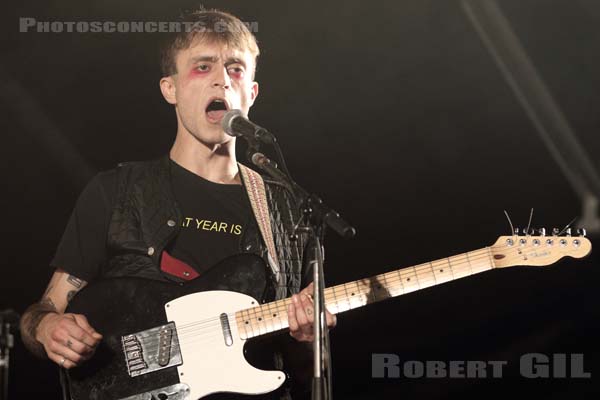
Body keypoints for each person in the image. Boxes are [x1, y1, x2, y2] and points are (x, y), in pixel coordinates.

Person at [19, 7, 335, 400]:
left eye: (236, 69)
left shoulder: (286, 210)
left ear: (251, 92)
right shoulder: (117, 191)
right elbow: (42, 311)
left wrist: (307, 337)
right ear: (170, 88)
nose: (222, 79)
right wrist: (48, 328)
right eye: (203, 67)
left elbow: (301, 368)